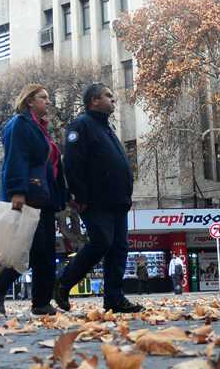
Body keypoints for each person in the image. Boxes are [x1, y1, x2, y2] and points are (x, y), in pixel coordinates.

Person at [54, 83, 143, 314]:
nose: (113, 100)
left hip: (117, 201)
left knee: (119, 248)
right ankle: (64, 283)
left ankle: (114, 298)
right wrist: (78, 194)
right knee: (102, 242)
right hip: (94, 200)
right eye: (108, 96)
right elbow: (72, 163)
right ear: (94, 100)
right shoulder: (81, 125)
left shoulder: (107, 128)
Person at [0, 84, 68, 316]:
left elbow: (52, 165)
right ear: (30, 101)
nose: (48, 102)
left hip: (45, 197)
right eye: (43, 97)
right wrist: (17, 192)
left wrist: (62, 195)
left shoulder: (42, 128)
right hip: (29, 195)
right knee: (31, 249)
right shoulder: (19, 125)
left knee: (46, 251)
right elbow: (15, 159)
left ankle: (41, 303)